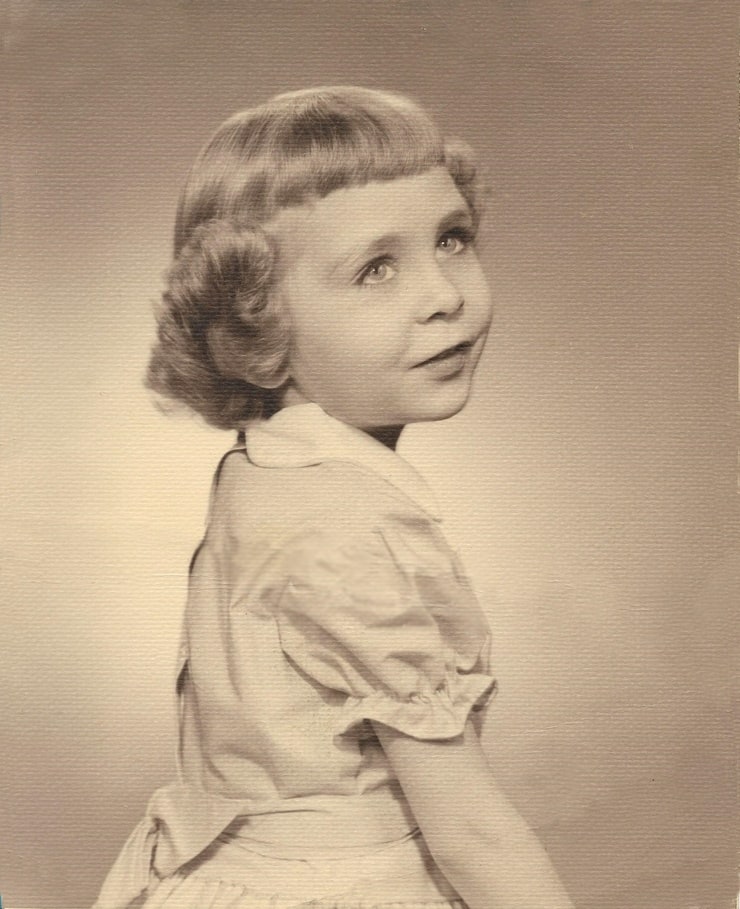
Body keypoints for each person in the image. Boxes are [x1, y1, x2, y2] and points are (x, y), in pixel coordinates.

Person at [94, 86, 574, 909]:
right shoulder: (353, 527)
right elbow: (472, 831)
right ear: (254, 329)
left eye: (452, 239)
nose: (445, 294)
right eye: (376, 268)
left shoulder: (266, 469)